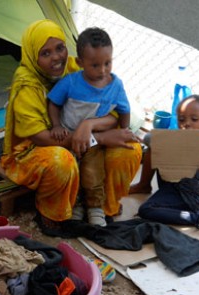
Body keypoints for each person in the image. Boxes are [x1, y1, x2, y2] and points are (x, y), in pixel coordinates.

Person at [1, 19, 142, 229]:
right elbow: (41, 137)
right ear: (32, 55)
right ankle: (56, 214)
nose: (57, 57)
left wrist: (89, 125)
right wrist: (98, 137)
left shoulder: (78, 68)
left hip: (84, 137)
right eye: (45, 53)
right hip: (36, 150)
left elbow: (114, 110)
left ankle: (103, 207)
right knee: (62, 161)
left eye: (60, 48)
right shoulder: (27, 86)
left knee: (130, 149)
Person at [46, 27, 131, 226]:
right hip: (67, 138)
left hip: (93, 142)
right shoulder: (71, 82)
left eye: (107, 63)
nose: (102, 70)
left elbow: (124, 109)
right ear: (80, 62)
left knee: (92, 174)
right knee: (72, 171)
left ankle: (94, 207)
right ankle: (75, 205)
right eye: (95, 65)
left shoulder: (115, 85)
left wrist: (123, 129)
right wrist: (56, 125)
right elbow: (54, 103)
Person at [135, 95, 199, 238]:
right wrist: (160, 142)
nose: (186, 124)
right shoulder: (179, 139)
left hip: (191, 196)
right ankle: (144, 185)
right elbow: (149, 139)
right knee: (154, 145)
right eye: (181, 119)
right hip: (173, 184)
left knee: (146, 210)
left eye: (194, 119)